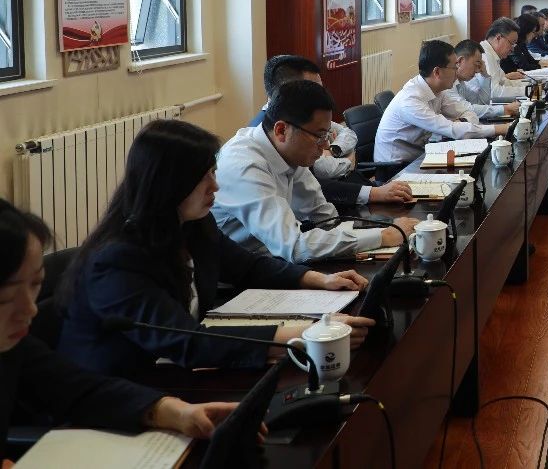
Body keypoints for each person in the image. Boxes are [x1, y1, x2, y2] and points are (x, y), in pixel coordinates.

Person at [58, 119, 375, 378]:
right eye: (204, 177)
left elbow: (247, 266)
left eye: (213, 171)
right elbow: (186, 341)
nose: (216, 186)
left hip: (175, 374)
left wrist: (319, 279)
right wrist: (307, 333)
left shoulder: (193, 223)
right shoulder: (117, 259)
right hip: (121, 393)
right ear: (168, 183)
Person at [0, 202, 243, 457]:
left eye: (36, 284)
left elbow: (82, 390)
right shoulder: (116, 258)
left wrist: (175, 411)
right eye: (6, 297)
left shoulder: (17, 346)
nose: (30, 309)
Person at [214, 80, 417, 262]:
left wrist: (380, 230)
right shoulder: (245, 165)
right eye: (319, 136)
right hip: (236, 276)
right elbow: (293, 246)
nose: (326, 145)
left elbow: (326, 219)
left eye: (327, 135)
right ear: (281, 130)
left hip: (271, 259)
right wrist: (382, 237)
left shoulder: (289, 152)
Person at [250, 55, 410, 207]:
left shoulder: (307, 115)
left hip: (352, 188)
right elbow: (317, 181)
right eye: (313, 90)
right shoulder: (270, 132)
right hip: (340, 198)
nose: (322, 95)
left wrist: (334, 150)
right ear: (289, 90)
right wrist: (349, 161)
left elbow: (348, 133)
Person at [376, 40, 512, 165]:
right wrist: (500, 128)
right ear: (437, 72)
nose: (457, 72)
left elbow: (469, 112)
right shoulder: (410, 100)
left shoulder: (438, 90)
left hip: (422, 156)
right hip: (396, 168)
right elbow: (452, 129)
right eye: (454, 67)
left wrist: (462, 121)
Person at [450, 39, 522, 121]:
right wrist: (504, 109)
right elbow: (466, 109)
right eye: (476, 64)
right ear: (460, 61)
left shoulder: (461, 83)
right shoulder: (448, 85)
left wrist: (485, 75)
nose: (477, 70)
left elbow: (481, 102)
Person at [481, 18, 528, 96]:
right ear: (498, 38)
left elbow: (503, 82)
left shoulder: (493, 54)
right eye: (512, 43)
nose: (513, 49)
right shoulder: (485, 56)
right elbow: (495, 92)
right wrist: (528, 91)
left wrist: (529, 85)